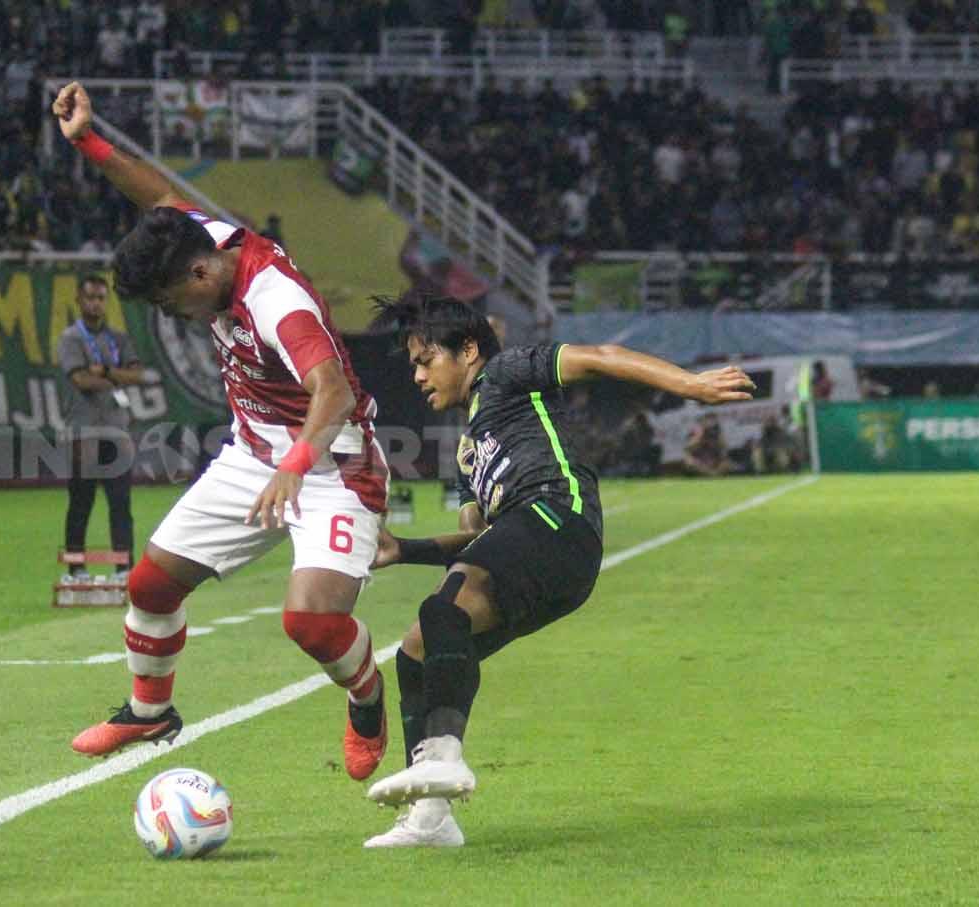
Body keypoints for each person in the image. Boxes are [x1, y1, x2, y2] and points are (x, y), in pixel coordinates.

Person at [53, 81, 393, 781]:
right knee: (149, 584)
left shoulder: (276, 299)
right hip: (255, 456)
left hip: (333, 463)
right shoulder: (199, 241)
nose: (177, 315)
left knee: (311, 624)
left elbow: (330, 390)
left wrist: (297, 463)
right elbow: (153, 194)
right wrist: (88, 139)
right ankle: (150, 711)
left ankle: (367, 694)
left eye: (175, 302)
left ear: (203, 273)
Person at [364, 295, 754, 848]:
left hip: (558, 515)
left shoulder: (505, 374)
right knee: (419, 648)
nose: (418, 375)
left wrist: (692, 386)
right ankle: (430, 818)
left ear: (468, 351)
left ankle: (444, 758)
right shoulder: (468, 454)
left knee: (443, 609)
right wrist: (402, 548)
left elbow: (601, 355)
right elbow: (479, 542)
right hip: (547, 559)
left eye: (426, 360)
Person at [57, 272, 145, 580]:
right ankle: (76, 568)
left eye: (100, 298)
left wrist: (106, 370)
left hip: (116, 429)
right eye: (90, 298)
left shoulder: (117, 338)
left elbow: (138, 375)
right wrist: (117, 375)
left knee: (121, 501)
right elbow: (80, 379)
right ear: (79, 300)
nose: (95, 303)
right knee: (81, 500)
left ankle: (124, 568)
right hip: (84, 430)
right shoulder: (71, 338)